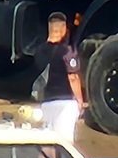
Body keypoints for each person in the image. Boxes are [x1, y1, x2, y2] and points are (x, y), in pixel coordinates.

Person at [35, 12, 84, 141]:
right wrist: (79, 100)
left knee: (47, 141)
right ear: (63, 29)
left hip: (46, 101)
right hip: (65, 101)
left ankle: (45, 156)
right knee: (65, 141)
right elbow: (73, 77)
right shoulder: (67, 51)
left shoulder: (39, 51)